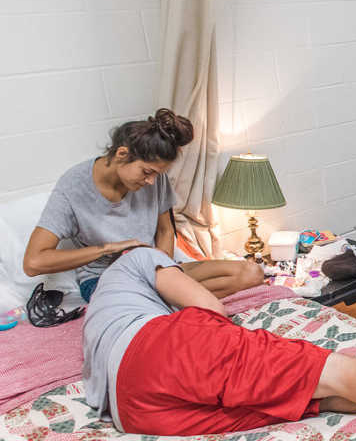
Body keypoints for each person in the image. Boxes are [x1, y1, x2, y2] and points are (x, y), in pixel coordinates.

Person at [84, 247, 356, 436]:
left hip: (134, 410)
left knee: (300, 397)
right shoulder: (138, 259)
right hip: (152, 349)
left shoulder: (95, 317)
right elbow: (208, 313)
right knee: (319, 369)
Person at [23, 109, 263, 301]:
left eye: (157, 175)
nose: (151, 182)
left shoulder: (154, 180)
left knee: (250, 273)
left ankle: (168, 301)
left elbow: (165, 230)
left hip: (155, 271)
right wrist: (107, 248)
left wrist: (164, 268)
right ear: (122, 154)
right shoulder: (73, 186)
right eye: (147, 172)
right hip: (107, 280)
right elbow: (34, 262)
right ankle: (169, 302)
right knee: (155, 299)